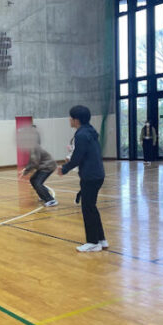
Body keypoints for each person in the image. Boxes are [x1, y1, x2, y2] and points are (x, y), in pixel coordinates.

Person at [57, 105, 107, 252]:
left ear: (76, 120)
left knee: (87, 208)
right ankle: (101, 240)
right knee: (91, 207)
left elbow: (78, 157)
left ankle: (92, 242)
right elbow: (83, 154)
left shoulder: (81, 135)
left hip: (90, 176)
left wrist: (64, 169)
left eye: (70, 117)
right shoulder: (90, 131)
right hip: (97, 174)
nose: (69, 119)